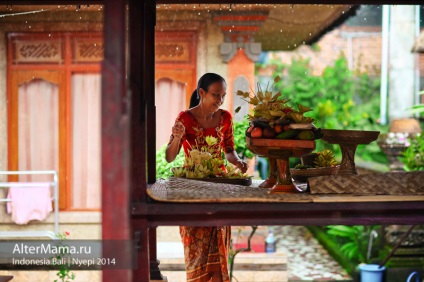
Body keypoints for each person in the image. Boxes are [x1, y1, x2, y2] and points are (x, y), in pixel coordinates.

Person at [165, 73, 248, 282]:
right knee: (195, 254)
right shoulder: (184, 118)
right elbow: (169, 156)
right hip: (192, 192)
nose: (220, 100)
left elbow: (229, 150)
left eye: (223, 96)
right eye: (215, 95)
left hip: (219, 190)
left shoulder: (226, 118)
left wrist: (237, 162)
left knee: (218, 250)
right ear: (202, 93)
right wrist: (176, 137)